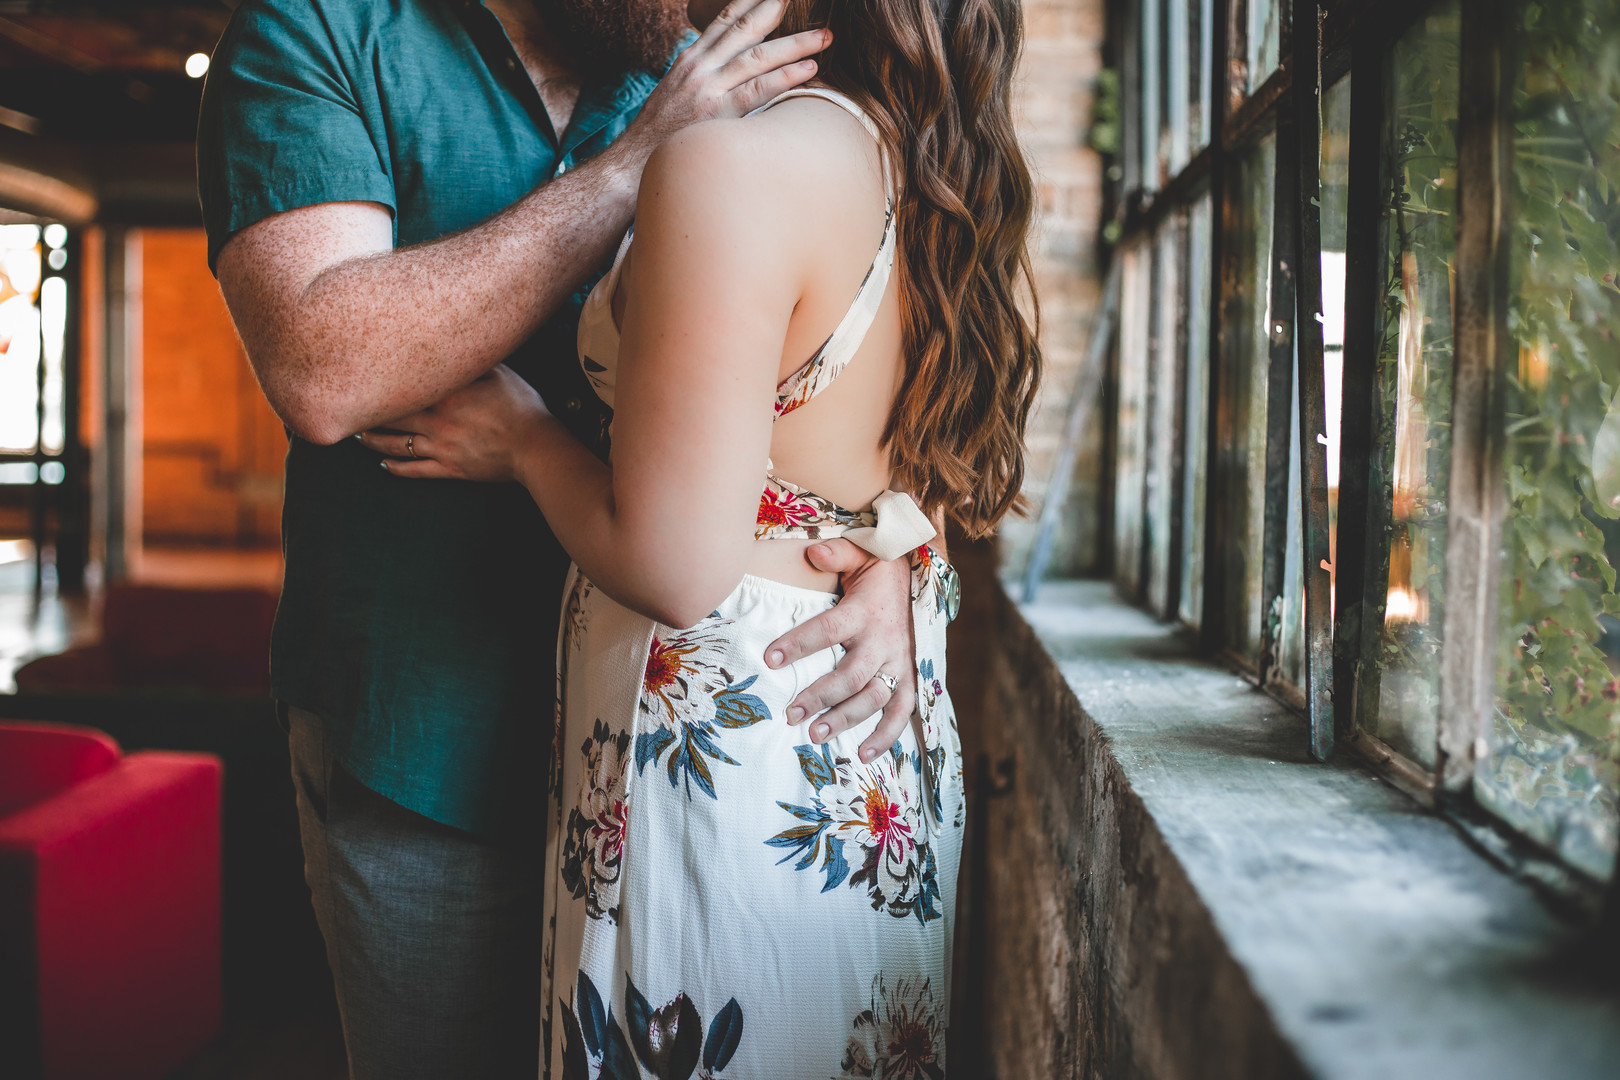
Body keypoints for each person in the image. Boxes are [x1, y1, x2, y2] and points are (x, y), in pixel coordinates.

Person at [198, 2, 924, 1077]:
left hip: (679, 761)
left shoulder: (706, 52)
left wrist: (901, 545)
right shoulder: (315, 32)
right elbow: (323, 368)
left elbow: (872, 317)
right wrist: (635, 169)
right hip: (434, 751)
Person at [363, 0, 1041, 1071]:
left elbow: (678, 569)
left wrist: (528, 442)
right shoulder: (927, 162)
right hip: (872, 753)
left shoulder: (730, 169)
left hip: (732, 745)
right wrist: (914, 552)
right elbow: (907, 450)